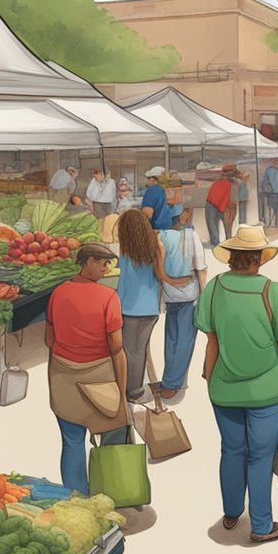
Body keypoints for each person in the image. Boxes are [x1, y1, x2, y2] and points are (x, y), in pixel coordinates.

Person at [196, 225, 278, 544]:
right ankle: (261, 525)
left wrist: (208, 375)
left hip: (224, 389)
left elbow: (211, 342)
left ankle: (231, 513)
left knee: (231, 450)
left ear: (232, 257)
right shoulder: (272, 292)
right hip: (267, 392)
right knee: (260, 456)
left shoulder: (214, 288)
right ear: (259, 258)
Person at [46, 243, 127, 494]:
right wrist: (121, 393)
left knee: (71, 442)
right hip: (100, 378)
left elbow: (50, 340)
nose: (106, 268)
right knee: (113, 440)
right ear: (88, 261)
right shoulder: (108, 297)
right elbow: (117, 349)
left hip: (63, 378)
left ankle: (76, 499)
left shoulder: (58, 293)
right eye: (102, 263)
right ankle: (111, 496)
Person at [115, 209, 187, 403]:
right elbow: (159, 276)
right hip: (150, 309)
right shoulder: (153, 249)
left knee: (129, 350)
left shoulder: (125, 252)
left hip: (128, 309)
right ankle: (135, 389)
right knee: (140, 350)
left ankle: (132, 391)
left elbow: (123, 282)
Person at [158, 208, 207, 398]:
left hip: (170, 294)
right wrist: (203, 295)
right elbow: (200, 266)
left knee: (171, 337)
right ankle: (172, 382)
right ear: (181, 217)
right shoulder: (190, 235)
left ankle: (168, 376)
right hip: (189, 293)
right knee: (185, 340)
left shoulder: (160, 236)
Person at [204, 165, 236, 247]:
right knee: (215, 227)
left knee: (213, 226)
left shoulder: (222, 183)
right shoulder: (227, 183)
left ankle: (216, 244)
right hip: (217, 206)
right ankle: (218, 243)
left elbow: (225, 198)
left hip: (214, 206)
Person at [258, 159, 278, 230]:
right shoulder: (274, 171)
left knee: (270, 209)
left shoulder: (269, 171)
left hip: (271, 193)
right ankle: (275, 225)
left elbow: (266, 185)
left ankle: (270, 225)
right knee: (277, 211)